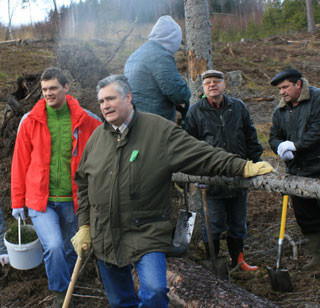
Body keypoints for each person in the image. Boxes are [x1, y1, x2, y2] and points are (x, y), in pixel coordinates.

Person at [71, 74, 273, 308]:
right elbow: (83, 183)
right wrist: (85, 225)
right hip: (104, 233)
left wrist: (242, 166)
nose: (105, 105)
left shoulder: (157, 131)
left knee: (156, 292)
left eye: (111, 98)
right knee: (119, 300)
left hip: (145, 231)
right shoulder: (97, 138)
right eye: (101, 101)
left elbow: (200, 153)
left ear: (128, 97)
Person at [10, 67, 101, 307]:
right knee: (54, 246)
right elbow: (19, 164)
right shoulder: (30, 121)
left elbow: (105, 152)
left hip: (74, 199)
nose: (48, 93)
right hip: (40, 200)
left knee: (72, 249)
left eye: (53, 88)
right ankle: (61, 295)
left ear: (66, 87)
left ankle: (70, 283)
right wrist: (17, 202)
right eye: (44, 89)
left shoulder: (87, 120)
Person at [186, 69, 263, 271]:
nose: (212, 85)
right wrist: (197, 174)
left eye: (216, 81)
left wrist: (257, 163)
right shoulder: (196, 111)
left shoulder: (238, 108)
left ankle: (239, 261)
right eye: (208, 82)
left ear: (224, 85)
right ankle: (213, 263)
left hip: (238, 176)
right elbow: (190, 146)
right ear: (203, 88)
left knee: (238, 224)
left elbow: (250, 137)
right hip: (211, 181)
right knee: (214, 224)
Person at [269, 67, 320, 271]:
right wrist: (280, 148)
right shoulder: (281, 109)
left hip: (318, 166)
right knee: (306, 217)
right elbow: (274, 135)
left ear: (298, 84)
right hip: (297, 171)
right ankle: (317, 255)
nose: (282, 92)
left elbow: (318, 130)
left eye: (285, 87)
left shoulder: (317, 99)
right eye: (280, 89)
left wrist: (296, 145)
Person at [124, 15, 190, 121]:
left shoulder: (134, 55)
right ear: (172, 38)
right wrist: (186, 92)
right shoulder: (161, 56)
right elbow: (179, 94)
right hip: (154, 124)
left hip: (133, 119)